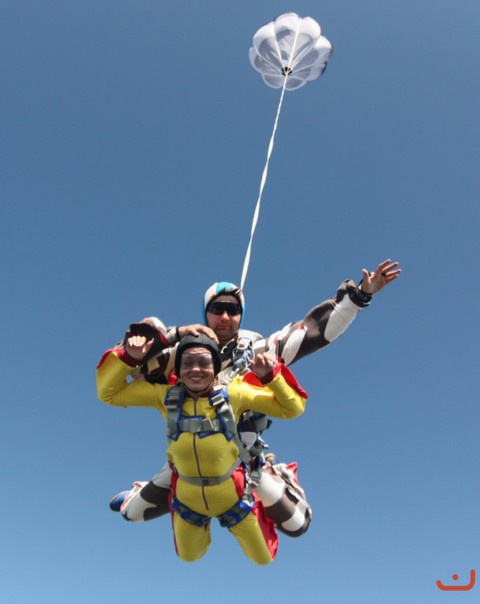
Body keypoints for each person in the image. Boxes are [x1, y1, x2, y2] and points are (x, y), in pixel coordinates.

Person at [109, 259, 401, 537]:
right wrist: (168, 334)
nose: (225, 317)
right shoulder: (183, 354)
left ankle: (281, 474)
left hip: (244, 459)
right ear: (206, 313)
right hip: (187, 463)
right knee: (131, 513)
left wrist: (359, 296)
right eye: (217, 309)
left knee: (298, 524)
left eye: (233, 310)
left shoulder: (256, 352)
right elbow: (127, 360)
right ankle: (141, 492)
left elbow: (313, 333)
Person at [97, 332, 307, 564]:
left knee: (264, 557)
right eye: (187, 363)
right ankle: (138, 492)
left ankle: (280, 474)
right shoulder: (165, 397)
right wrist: (129, 358)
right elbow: (109, 394)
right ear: (179, 369)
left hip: (233, 496)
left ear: (215, 369)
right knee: (189, 556)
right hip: (188, 500)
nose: (195, 369)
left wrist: (271, 377)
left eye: (204, 362)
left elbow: (292, 409)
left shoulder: (234, 394)